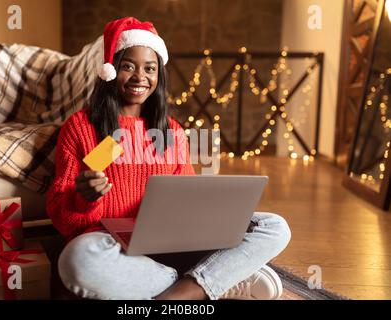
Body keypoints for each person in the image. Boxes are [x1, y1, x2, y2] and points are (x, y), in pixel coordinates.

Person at [46, 17, 291, 300]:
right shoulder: (81, 128)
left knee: (274, 226)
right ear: (111, 70)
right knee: (77, 259)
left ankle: (180, 294)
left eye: (150, 68)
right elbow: (63, 221)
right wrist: (83, 198)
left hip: (173, 243)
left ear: (158, 76)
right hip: (111, 245)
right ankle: (205, 282)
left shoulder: (171, 131)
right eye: (128, 66)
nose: (140, 77)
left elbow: (186, 199)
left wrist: (209, 212)